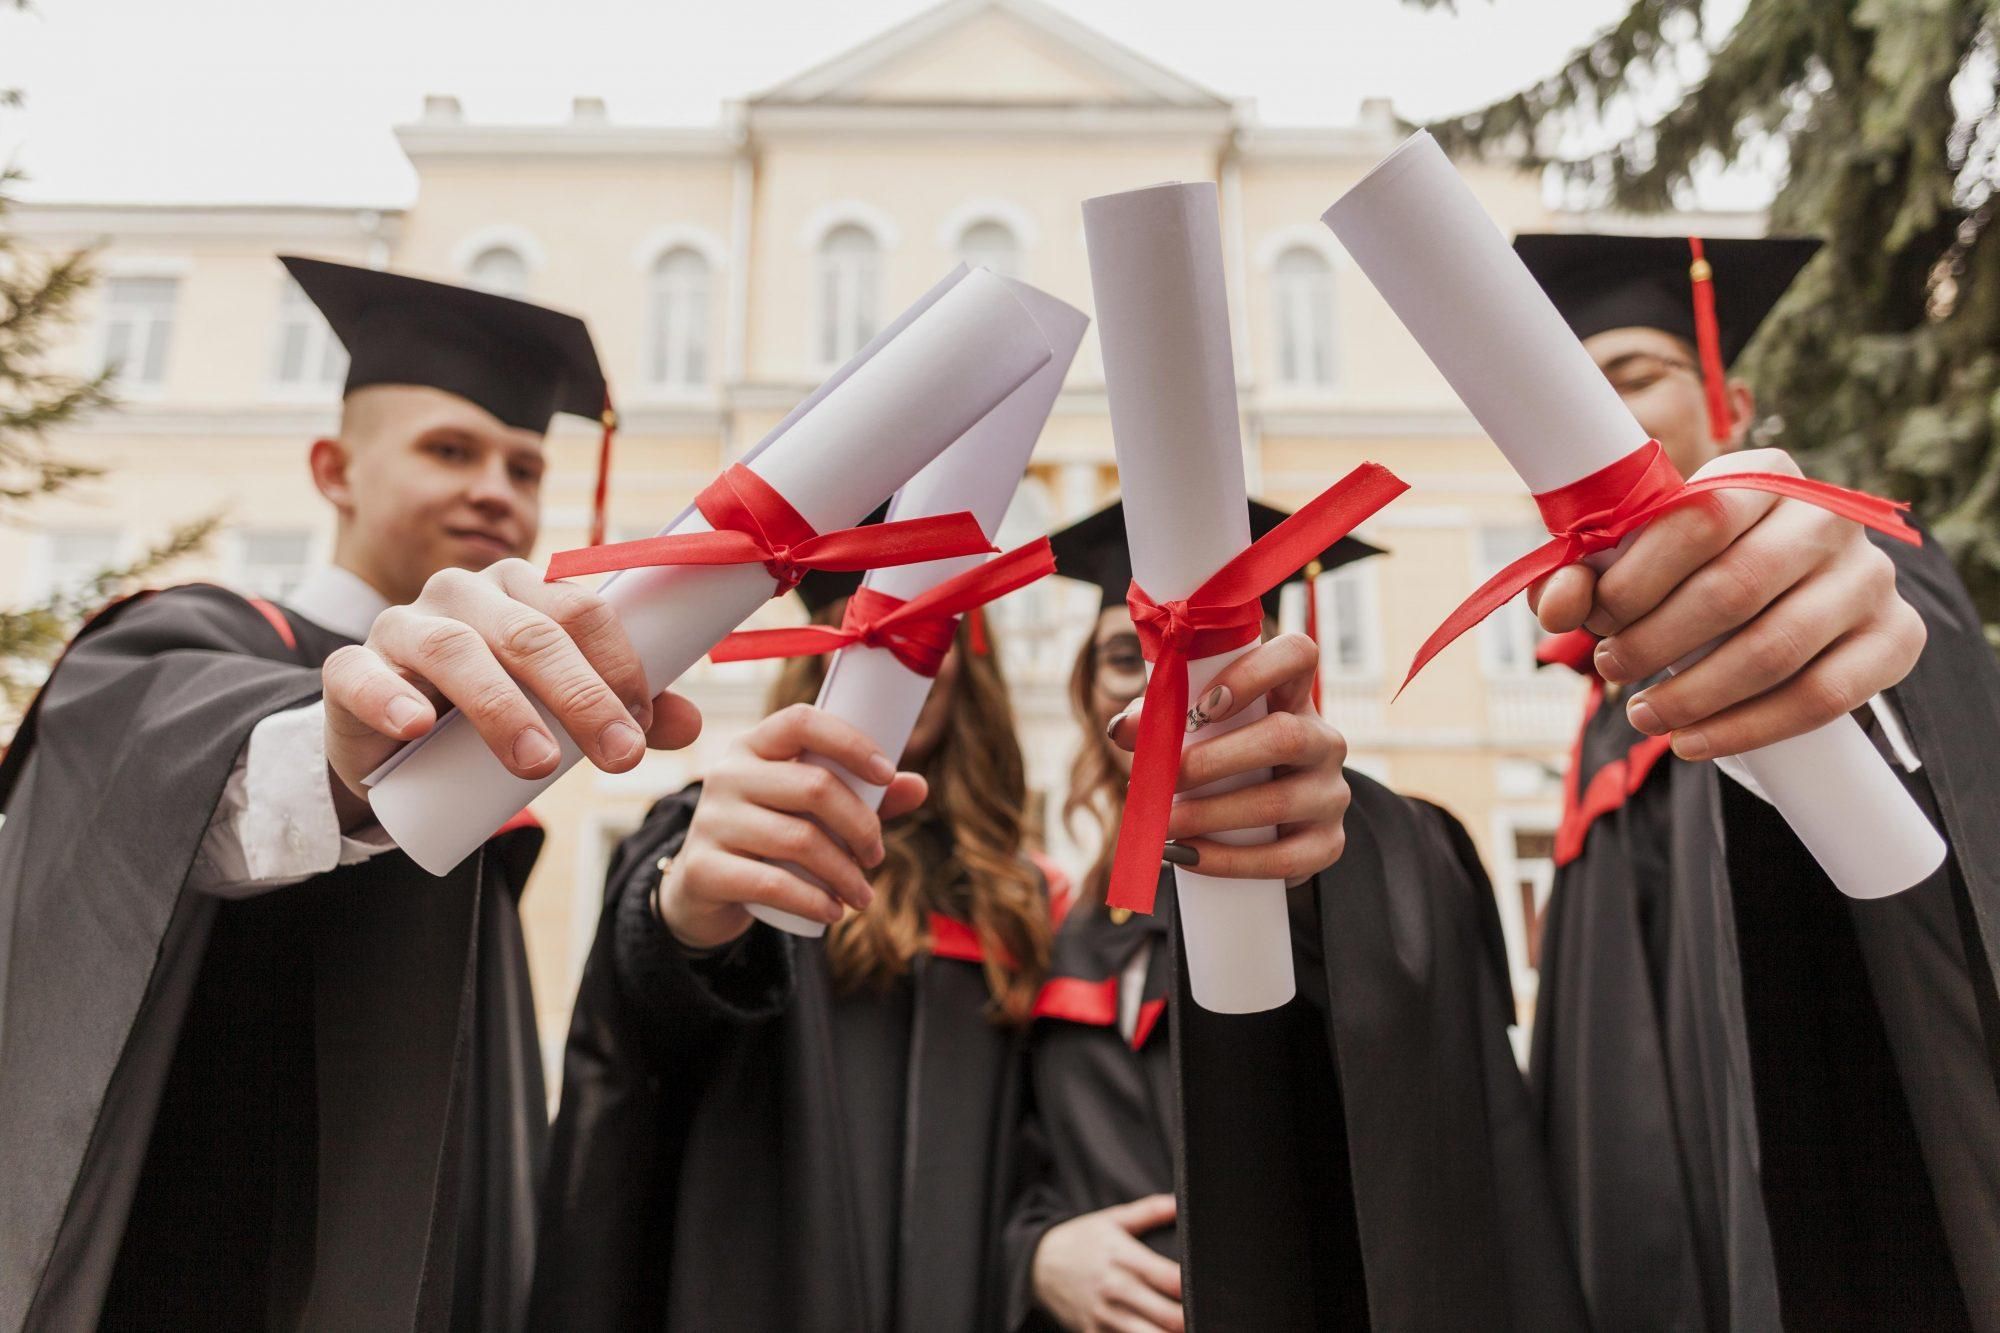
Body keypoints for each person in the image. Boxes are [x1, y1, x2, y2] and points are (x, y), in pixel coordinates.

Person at [0, 256, 700, 1331]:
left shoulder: (506, 726)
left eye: (522, 465)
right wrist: (346, 759)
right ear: (333, 468)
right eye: (449, 449)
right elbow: (175, 784)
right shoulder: (194, 644)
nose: (495, 489)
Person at [1515, 232, 2000, 1329]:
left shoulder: (1861, 564)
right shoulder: (1601, 717)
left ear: (1728, 398)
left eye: (1635, 375)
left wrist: (1858, 662)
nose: (1602, 414)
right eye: (1573, 392)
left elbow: (1959, 812)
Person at [1003, 500, 1586, 1332]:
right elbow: (1014, 1161)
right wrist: (1037, 1253)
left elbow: (1434, 1082)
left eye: (1213, 652)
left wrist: (1305, 858)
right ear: (1087, 695)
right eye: (1123, 656)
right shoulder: (1066, 930)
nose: (1163, 679)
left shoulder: (1376, 855)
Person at [530, 564, 1054, 1332]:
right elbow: (648, 984)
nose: (898, 654)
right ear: (817, 658)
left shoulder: (1017, 894)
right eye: (865, 630)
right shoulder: (729, 830)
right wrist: (681, 908)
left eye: (926, 631)